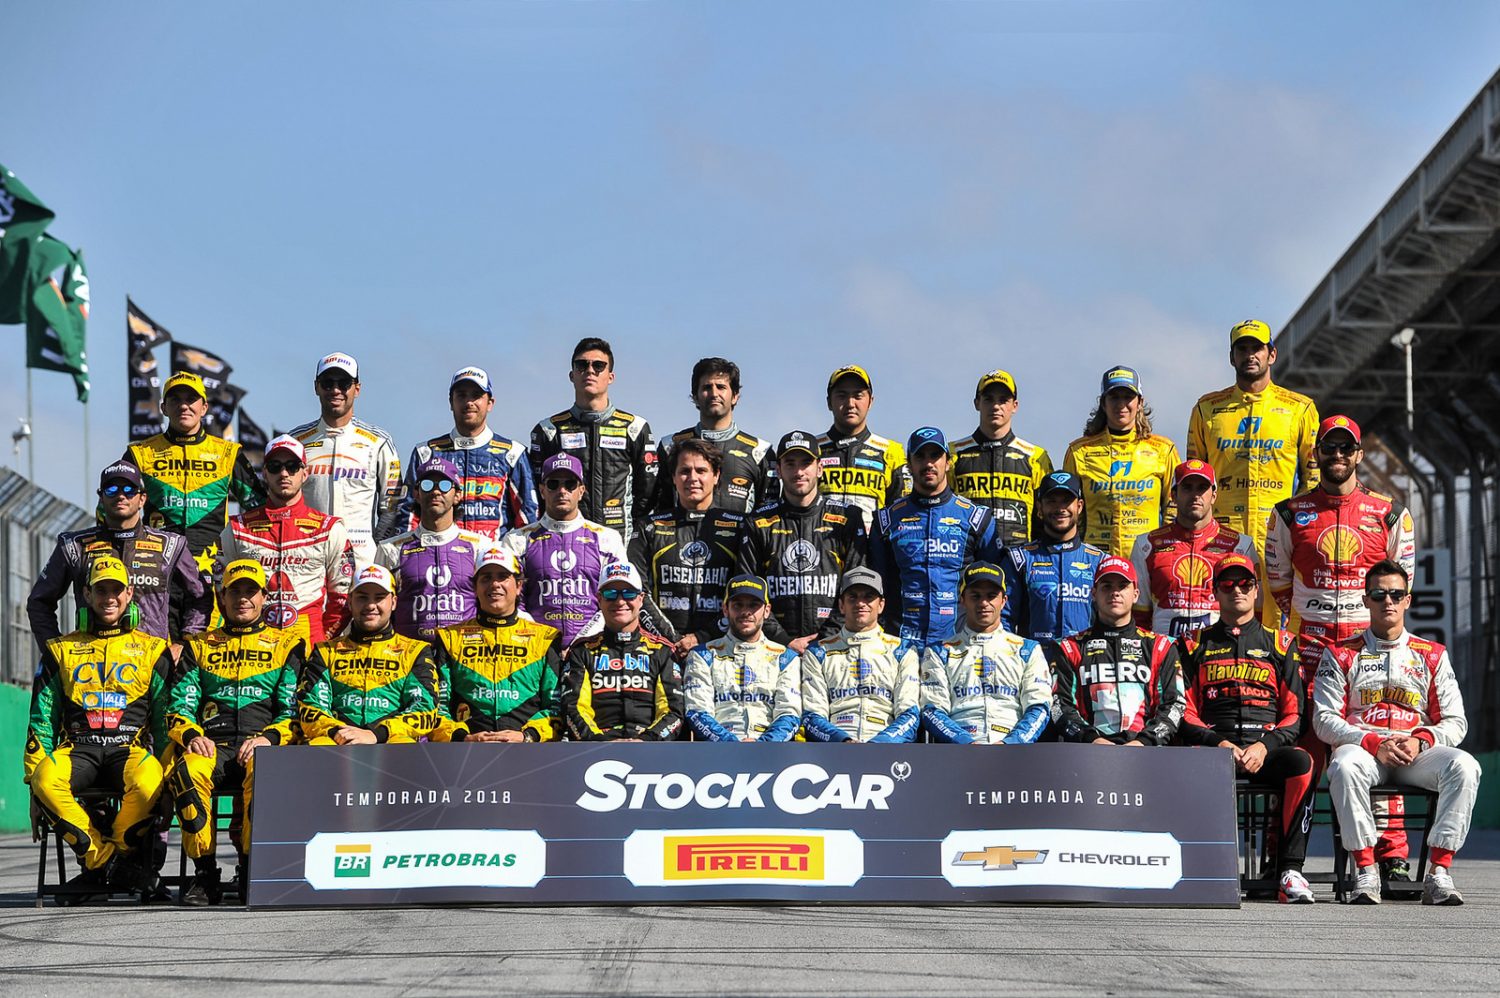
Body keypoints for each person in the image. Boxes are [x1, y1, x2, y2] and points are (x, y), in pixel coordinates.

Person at [1266, 415, 1419, 881]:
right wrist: (1310, 623)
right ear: (1315, 454)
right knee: (1303, 756)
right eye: (1328, 448)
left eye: (1345, 448)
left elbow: (1401, 584)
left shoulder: (1390, 512)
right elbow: (1278, 583)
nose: (1336, 455)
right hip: (1310, 650)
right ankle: (1282, 857)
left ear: (1358, 454)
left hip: (1367, 652)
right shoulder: (1288, 512)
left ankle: (1391, 855)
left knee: (1382, 746)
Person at [1315, 560, 1482, 905]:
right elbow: (1324, 719)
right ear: (1365, 600)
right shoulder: (1340, 653)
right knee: (1343, 766)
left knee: (1465, 766)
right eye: (1378, 594)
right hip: (1365, 750)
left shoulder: (1432, 654)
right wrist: (1371, 741)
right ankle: (1366, 869)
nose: (1387, 601)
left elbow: (1455, 721)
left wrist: (1421, 740)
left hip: (1414, 754)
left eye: (1395, 594)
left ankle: (1439, 872)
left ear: (1408, 600)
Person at [25, 555, 171, 894]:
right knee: (45, 779)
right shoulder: (59, 650)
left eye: (116, 590)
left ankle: (103, 866)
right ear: (87, 594)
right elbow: (42, 720)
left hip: (128, 749)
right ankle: (112, 864)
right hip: (79, 749)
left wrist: (169, 783)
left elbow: (164, 724)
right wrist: (33, 787)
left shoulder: (153, 650)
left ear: (129, 593)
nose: (109, 598)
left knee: (151, 781)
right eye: (101, 590)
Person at [1176, 553, 1315, 904]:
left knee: (1302, 763)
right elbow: (1183, 711)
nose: (1236, 590)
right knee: (1179, 760)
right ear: (1215, 593)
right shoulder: (1193, 643)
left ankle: (1290, 870)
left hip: (1262, 749)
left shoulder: (1281, 643)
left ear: (1256, 591)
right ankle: (1197, 865)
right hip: (1214, 749)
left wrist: (1265, 745)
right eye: (1227, 584)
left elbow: (1295, 714)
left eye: (1245, 583)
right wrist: (1218, 743)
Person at [163, 559, 303, 905]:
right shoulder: (198, 646)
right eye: (235, 591)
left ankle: (251, 868)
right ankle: (205, 874)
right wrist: (192, 735)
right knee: (186, 771)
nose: (243, 598)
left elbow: (293, 712)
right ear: (221, 597)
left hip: (262, 745)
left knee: (267, 769)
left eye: (250, 591)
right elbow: (179, 707)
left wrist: (268, 739)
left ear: (264, 598)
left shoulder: (288, 645)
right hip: (213, 745)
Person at [28, 460, 207, 652]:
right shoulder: (74, 545)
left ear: (142, 499)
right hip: (90, 661)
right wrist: (53, 651)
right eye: (111, 489)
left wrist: (184, 644)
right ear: (101, 497)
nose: (121, 496)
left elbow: (202, 596)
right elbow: (39, 602)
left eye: (129, 490)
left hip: (151, 662)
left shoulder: (170, 545)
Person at [1186, 319, 1319, 566]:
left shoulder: (1299, 408)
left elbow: (1312, 479)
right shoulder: (1207, 408)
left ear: (1272, 355)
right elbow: (1193, 479)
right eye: (1242, 349)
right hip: (1221, 538)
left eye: (1257, 348)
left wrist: (1296, 523)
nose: (1250, 355)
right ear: (1231, 357)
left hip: (1279, 534)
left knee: (1279, 593)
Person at [736, 430, 868, 652]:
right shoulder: (758, 522)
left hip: (836, 645)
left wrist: (826, 638)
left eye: (806, 463)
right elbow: (747, 589)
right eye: (790, 464)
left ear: (820, 468)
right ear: (778, 470)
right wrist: (784, 640)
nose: (798, 472)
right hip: (774, 649)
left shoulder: (847, 518)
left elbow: (857, 585)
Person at [868, 427, 1001, 647]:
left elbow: (996, 586)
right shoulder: (886, 520)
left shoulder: (977, 518)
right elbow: (875, 586)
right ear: (909, 465)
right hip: (900, 644)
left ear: (948, 462)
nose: (928, 463)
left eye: (935, 455)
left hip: (960, 644)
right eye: (920, 456)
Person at [219, 435, 355, 645]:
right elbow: (220, 590)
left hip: (309, 644)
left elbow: (342, 597)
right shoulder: (238, 528)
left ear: (305, 473)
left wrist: (323, 640)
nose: (283, 473)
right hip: (253, 646)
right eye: (275, 467)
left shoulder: (329, 528)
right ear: (265, 473)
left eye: (292, 466)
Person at [124, 370, 266, 567]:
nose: (184, 406)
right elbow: (111, 504)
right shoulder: (140, 452)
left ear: (204, 408)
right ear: (163, 408)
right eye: (175, 399)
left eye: (191, 399)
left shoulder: (228, 453)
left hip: (212, 564)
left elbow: (259, 508)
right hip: (158, 563)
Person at [431, 548, 566, 743]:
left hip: (529, 751)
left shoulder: (546, 638)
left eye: (503, 577)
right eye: (486, 578)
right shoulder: (449, 638)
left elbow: (556, 706)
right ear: (475, 587)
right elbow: (437, 707)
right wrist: (463, 738)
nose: (494, 584)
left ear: (519, 585)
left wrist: (527, 736)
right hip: (467, 751)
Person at [530, 338, 657, 544]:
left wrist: (631, 527)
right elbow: (537, 492)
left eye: (598, 366)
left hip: (620, 540)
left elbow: (648, 491)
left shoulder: (634, 427)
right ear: (572, 375)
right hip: (563, 540)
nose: (590, 371)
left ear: (611, 376)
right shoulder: (549, 430)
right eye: (582, 365)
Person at [295, 565, 439, 745]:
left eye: (379, 598)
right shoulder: (325, 651)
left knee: (403, 744)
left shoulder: (415, 651)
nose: (371, 605)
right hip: (339, 741)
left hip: (390, 741)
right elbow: (311, 706)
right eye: (362, 597)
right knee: (319, 744)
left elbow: (424, 709)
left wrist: (376, 734)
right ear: (349, 602)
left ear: (394, 602)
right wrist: (340, 733)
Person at [1050, 557, 1185, 746]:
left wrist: (1144, 742)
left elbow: (1174, 705)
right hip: (1089, 751)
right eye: (1106, 586)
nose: (1115, 593)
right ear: (1094, 594)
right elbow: (1059, 707)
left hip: (1146, 751)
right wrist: (1092, 740)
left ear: (1136, 594)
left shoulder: (1161, 646)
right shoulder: (1069, 648)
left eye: (1122, 586)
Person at [500, 453, 631, 648]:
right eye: (553, 484)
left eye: (570, 484)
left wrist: (583, 639)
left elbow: (617, 595)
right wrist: (541, 639)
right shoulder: (516, 540)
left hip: (593, 647)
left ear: (581, 490)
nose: (562, 491)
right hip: (535, 646)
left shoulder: (608, 538)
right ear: (542, 490)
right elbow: (512, 599)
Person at [629, 439, 744, 656]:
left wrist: (702, 637)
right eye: (684, 471)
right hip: (661, 648)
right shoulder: (649, 527)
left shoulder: (740, 526)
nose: (692, 478)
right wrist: (671, 639)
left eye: (701, 470)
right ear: (673, 477)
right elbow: (637, 591)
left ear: (716, 476)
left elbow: (744, 592)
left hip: (722, 647)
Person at [288, 351, 405, 562]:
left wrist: (376, 551)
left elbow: (393, 506)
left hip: (361, 559)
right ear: (316, 387)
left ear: (357, 389)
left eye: (344, 383)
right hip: (307, 558)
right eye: (327, 383)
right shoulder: (295, 441)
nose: (335, 390)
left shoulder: (379, 441)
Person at [919, 562, 1051, 744]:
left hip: (1014, 749)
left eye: (991, 596)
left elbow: (1039, 707)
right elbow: (932, 710)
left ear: (1003, 601)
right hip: (959, 750)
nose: (983, 603)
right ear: (962, 600)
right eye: (975, 596)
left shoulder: (1027, 649)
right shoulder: (939, 652)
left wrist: (1011, 743)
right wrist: (965, 742)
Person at [404, 365, 537, 540]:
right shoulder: (426, 453)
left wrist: (510, 552)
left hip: (493, 555)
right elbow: (408, 514)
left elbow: (528, 517)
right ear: (451, 402)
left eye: (476, 395)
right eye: (461, 395)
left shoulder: (512, 453)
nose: (469, 402)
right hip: (439, 552)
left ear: (490, 403)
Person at [1130, 460, 1258, 638]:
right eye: (1187, 488)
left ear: (1214, 495)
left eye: (1202, 488)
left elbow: (1254, 615)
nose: (1195, 495)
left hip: (1219, 648)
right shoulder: (1147, 544)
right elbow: (1139, 615)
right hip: (1165, 648)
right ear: (1174, 495)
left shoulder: (1240, 545)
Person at [1063, 366, 1180, 559]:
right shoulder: (1079, 451)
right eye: (1114, 397)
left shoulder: (1163, 449)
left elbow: (1174, 507)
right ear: (1103, 403)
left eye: (1128, 397)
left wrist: (1166, 552)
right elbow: (1070, 510)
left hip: (1147, 558)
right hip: (1094, 558)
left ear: (1140, 402)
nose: (1121, 404)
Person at [562, 563, 684, 741]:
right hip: (597, 748)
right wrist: (602, 743)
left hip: (650, 746)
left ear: (641, 599)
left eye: (629, 593)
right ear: (599, 599)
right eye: (610, 594)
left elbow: (674, 712)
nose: (620, 601)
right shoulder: (581, 651)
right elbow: (573, 709)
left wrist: (646, 741)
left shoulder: (662, 651)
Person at [800, 567, 921, 743]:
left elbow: (909, 714)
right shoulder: (818, 652)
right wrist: (843, 741)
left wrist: (878, 744)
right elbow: (812, 716)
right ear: (841, 605)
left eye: (868, 597)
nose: (860, 603)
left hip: (887, 744)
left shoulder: (903, 650)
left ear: (881, 605)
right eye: (853, 597)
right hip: (836, 746)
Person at [376, 454, 489, 641]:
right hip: (411, 654)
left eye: (444, 485)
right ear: (417, 494)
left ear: (457, 495)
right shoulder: (390, 549)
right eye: (427, 485)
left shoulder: (480, 546)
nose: (436, 491)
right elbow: (378, 606)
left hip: (464, 652)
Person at [682, 574, 803, 742]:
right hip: (718, 750)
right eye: (738, 605)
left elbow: (790, 713)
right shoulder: (702, 655)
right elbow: (697, 712)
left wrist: (763, 745)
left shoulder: (785, 658)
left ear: (767, 611)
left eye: (754, 605)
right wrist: (733, 745)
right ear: (725, 609)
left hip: (771, 750)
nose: (746, 612)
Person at [653, 357, 777, 514]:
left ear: (735, 396)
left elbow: (768, 515)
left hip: (740, 531)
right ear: (695, 396)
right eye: (707, 387)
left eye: (721, 387)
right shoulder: (670, 446)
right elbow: (659, 507)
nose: (714, 393)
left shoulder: (760, 452)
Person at [948, 369, 1055, 547]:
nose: (996, 406)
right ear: (976, 403)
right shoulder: (953, 453)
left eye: (1003, 400)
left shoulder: (1036, 457)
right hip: (969, 554)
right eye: (988, 399)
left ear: (1015, 406)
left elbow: (1046, 517)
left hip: (1019, 555)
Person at [1000, 471, 1106, 642]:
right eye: (1052, 501)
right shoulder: (1019, 559)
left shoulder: (1099, 561)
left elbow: (1112, 619)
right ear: (1040, 507)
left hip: (1084, 656)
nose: (1060, 508)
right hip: (1035, 656)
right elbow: (1004, 618)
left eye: (1066, 501)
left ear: (1079, 506)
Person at [815, 364, 911, 531]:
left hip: (871, 544)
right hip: (822, 542)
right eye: (842, 396)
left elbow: (902, 512)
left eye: (858, 396)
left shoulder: (892, 451)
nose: (850, 403)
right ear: (829, 402)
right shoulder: (811, 449)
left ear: (870, 401)